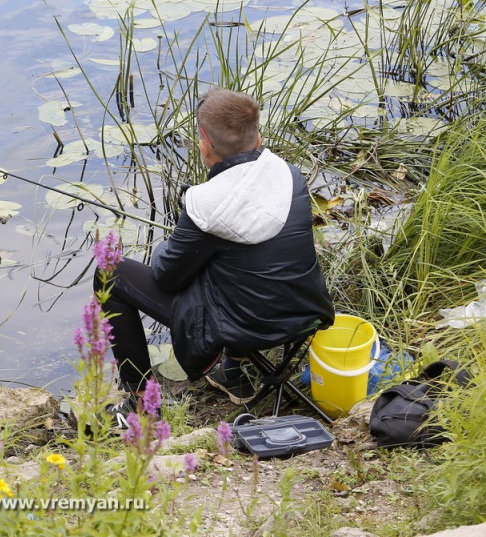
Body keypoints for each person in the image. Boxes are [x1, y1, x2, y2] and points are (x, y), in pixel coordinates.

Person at [93, 87, 334, 424]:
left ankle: (140, 403)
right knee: (238, 264)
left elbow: (166, 276)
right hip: (305, 311)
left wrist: (169, 242)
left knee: (111, 273)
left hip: (248, 327)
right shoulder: (289, 175)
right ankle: (233, 372)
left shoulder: (206, 203)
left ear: (204, 142)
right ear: (258, 135)